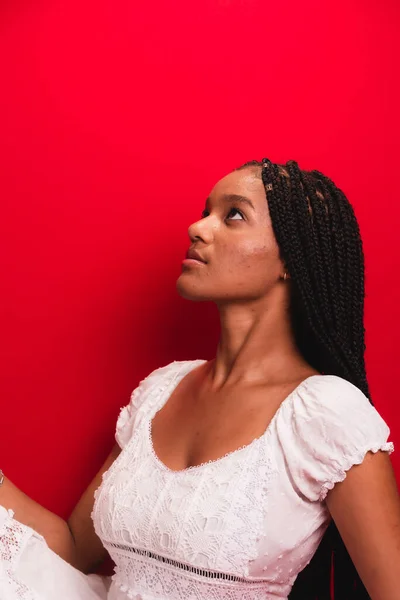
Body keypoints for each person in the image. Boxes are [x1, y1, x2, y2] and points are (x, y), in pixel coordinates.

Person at [0, 157, 399, 600]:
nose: (198, 227)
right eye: (206, 211)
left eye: (233, 215)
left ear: (293, 258)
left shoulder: (326, 412)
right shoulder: (161, 390)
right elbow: (73, 549)